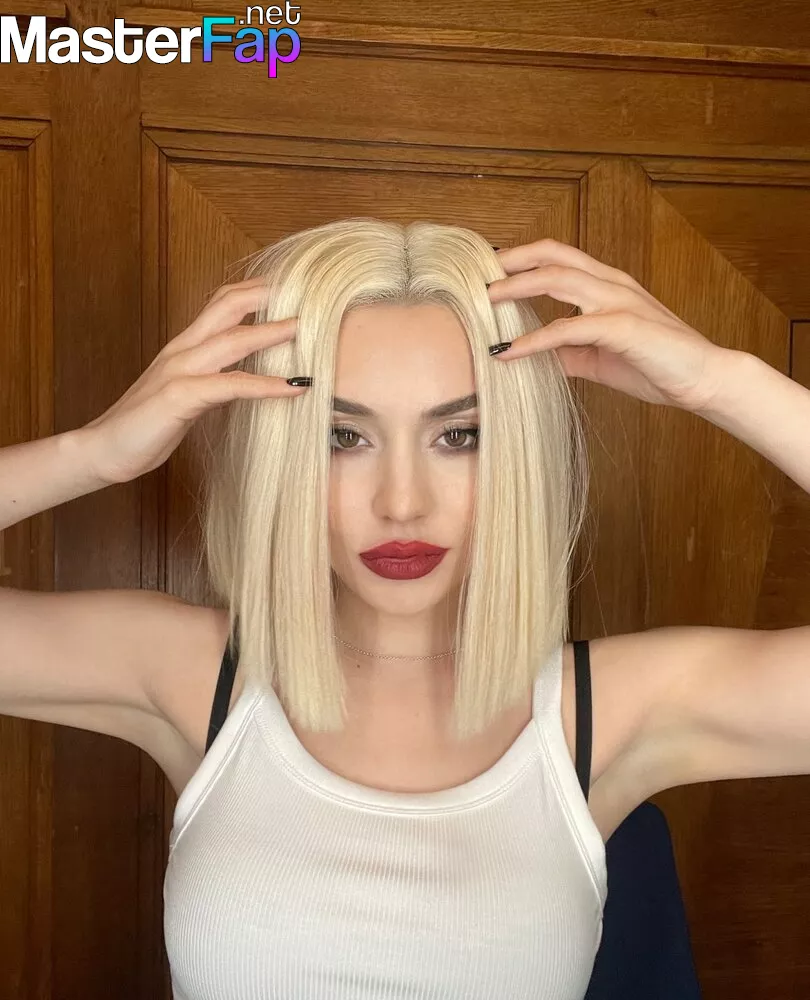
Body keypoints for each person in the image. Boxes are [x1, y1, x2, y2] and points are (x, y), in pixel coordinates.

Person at [1, 218, 808, 999]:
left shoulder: (606, 713)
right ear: (284, 453)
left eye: (460, 435)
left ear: (518, 450)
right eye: (342, 437)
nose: (402, 503)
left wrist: (720, 382)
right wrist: (96, 452)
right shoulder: (191, 678)